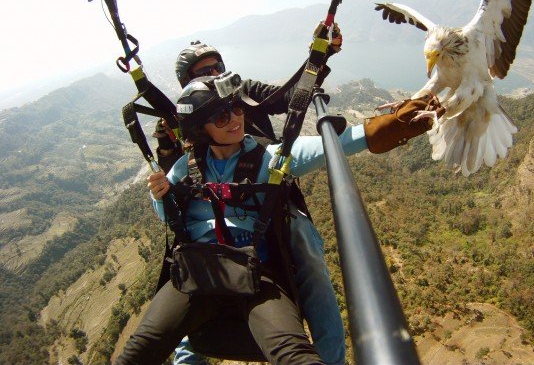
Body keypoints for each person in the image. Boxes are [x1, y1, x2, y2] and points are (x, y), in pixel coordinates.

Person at [114, 74, 443, 365]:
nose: (235, 119)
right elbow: (169, 217)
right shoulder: (186, 167)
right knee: (141, 349)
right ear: (201, 129)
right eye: (222, 115)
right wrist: (160, 194)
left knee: (293, 353)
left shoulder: (270, 158)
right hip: (196, 278)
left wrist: (402, 121)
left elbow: (335, 145)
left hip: (255, 275)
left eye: (238, 108)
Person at [154, 34, 348, 365]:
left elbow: (287, 97)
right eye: (205, 71)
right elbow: (175, 182)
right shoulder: (178, 121)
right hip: (211, 217)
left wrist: (320, 57)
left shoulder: (241, 92)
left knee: (309, 257)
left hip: (269, 201)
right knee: (185, 268)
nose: (215, 74)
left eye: (218, 67)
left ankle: (332, 359)